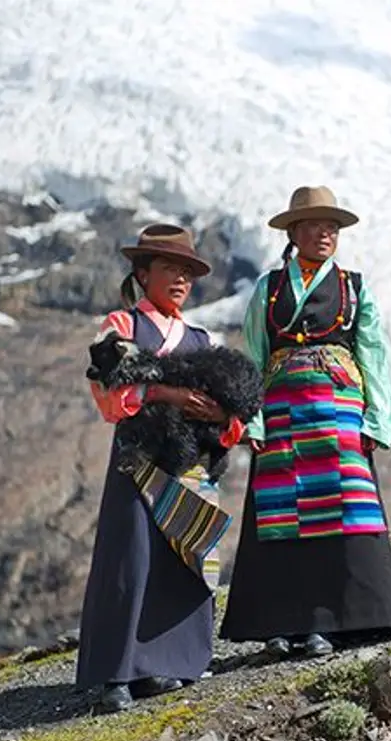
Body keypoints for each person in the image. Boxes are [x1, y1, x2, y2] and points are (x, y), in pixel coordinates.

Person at [220, 186, 391, 658]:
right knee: (283, 516)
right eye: (316, 225)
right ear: (295, 232)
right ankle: (284, 623)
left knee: (343, 512)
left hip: (339, 414)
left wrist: (377, 421)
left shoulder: (354, 287)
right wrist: (253, 421)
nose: (326, 234)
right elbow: (256, 356)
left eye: (333, 227)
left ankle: (342, 621)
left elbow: (374, 357)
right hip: (281, 415)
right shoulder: (270, 288)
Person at [77, 223, 244, 713]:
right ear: (142, 273)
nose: (180, 280)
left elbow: (228, 410)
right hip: (139, 460)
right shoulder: (121, 328)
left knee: (181, 558)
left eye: (187, 273)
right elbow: (110, 393)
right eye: (169, 269)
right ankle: (118, 674)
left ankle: (170, 663)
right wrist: (167, 393)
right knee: (131, 556)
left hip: (190, 463)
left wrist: (217, 413)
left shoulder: (202, 338)